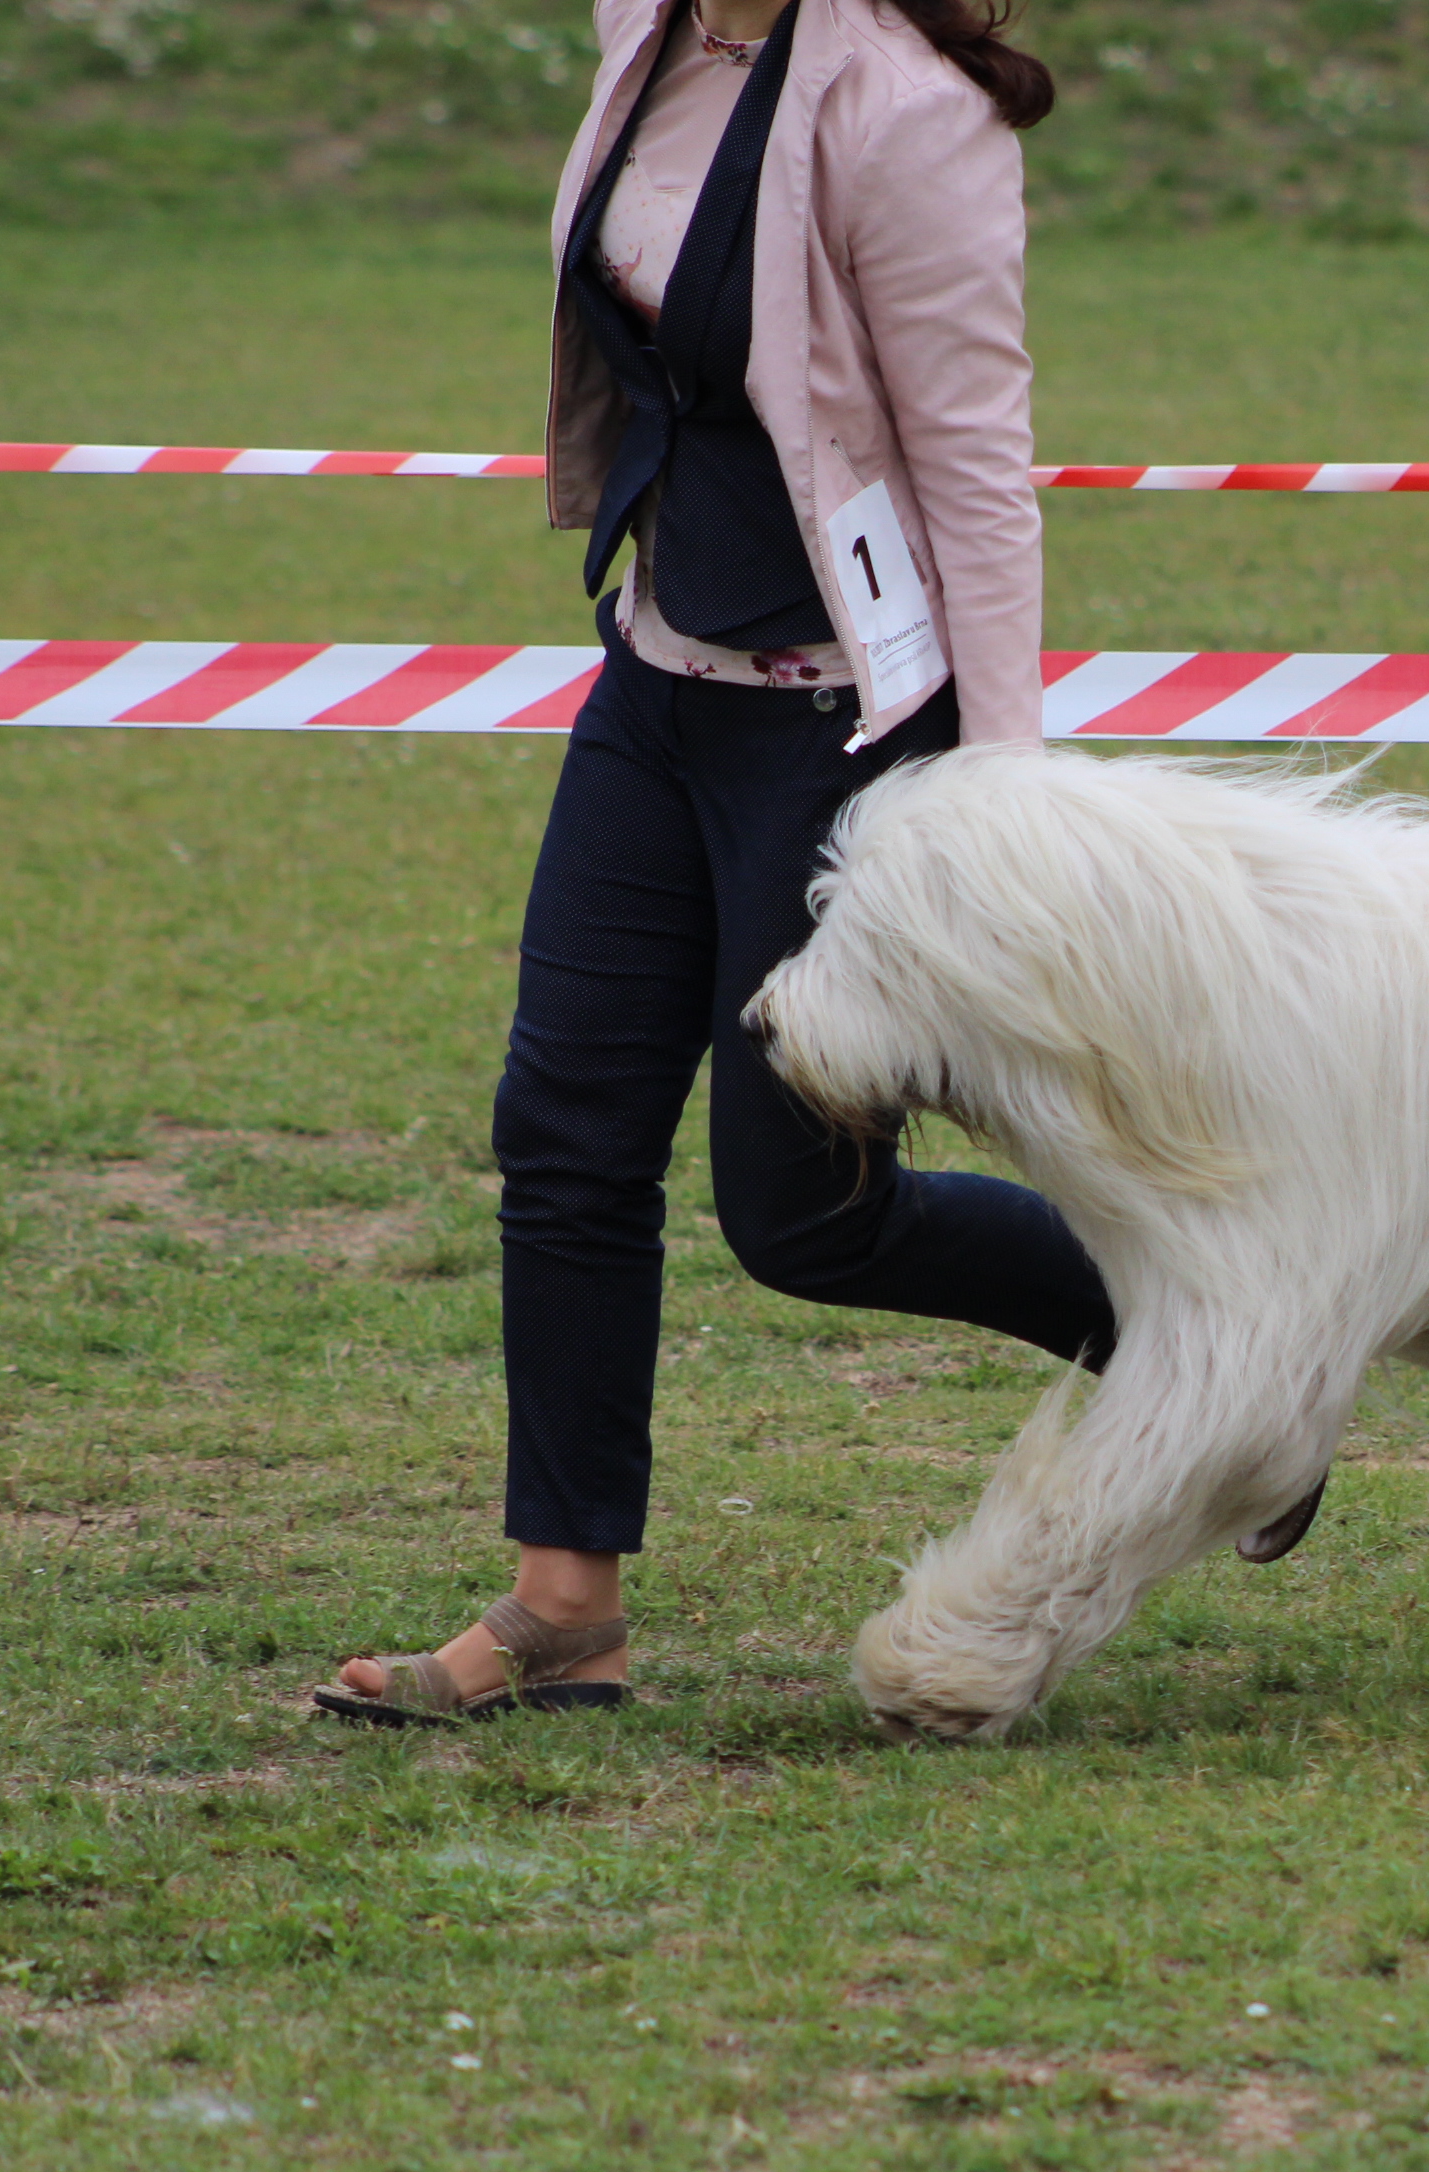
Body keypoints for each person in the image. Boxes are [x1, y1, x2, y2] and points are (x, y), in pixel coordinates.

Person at [318, 0, 1306, 1726]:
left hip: (841, 727)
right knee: (564, 1138)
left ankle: (1226, 1365)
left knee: (805, 1222)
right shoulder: (649, 32)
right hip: (657, 681)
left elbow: (976, 466)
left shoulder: (905, 111)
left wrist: (1001, 796)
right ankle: (565, 1609)